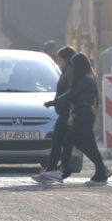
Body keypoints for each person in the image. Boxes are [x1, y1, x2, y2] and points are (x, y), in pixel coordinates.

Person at [39, 53, 112, 186]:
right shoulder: (86, 77)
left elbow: (72, 94)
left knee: (70, 142)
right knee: (85, 145)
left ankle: (64, 171)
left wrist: (54, 102)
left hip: (83, 116)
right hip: (82, 115)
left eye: (73, 65)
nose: (71, 68)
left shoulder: (85, 79)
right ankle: (101, 171)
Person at [32, 45, 77, 183]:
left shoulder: (70, 74)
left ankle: (52, 169)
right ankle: (60, 169)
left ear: (67, 60)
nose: (58, 62)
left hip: (67, 114)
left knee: (58, 141)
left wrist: (55, 103)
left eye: (60, 59)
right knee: (71, 144)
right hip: (65, 113)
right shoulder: (66, 72)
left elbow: (69, 95)